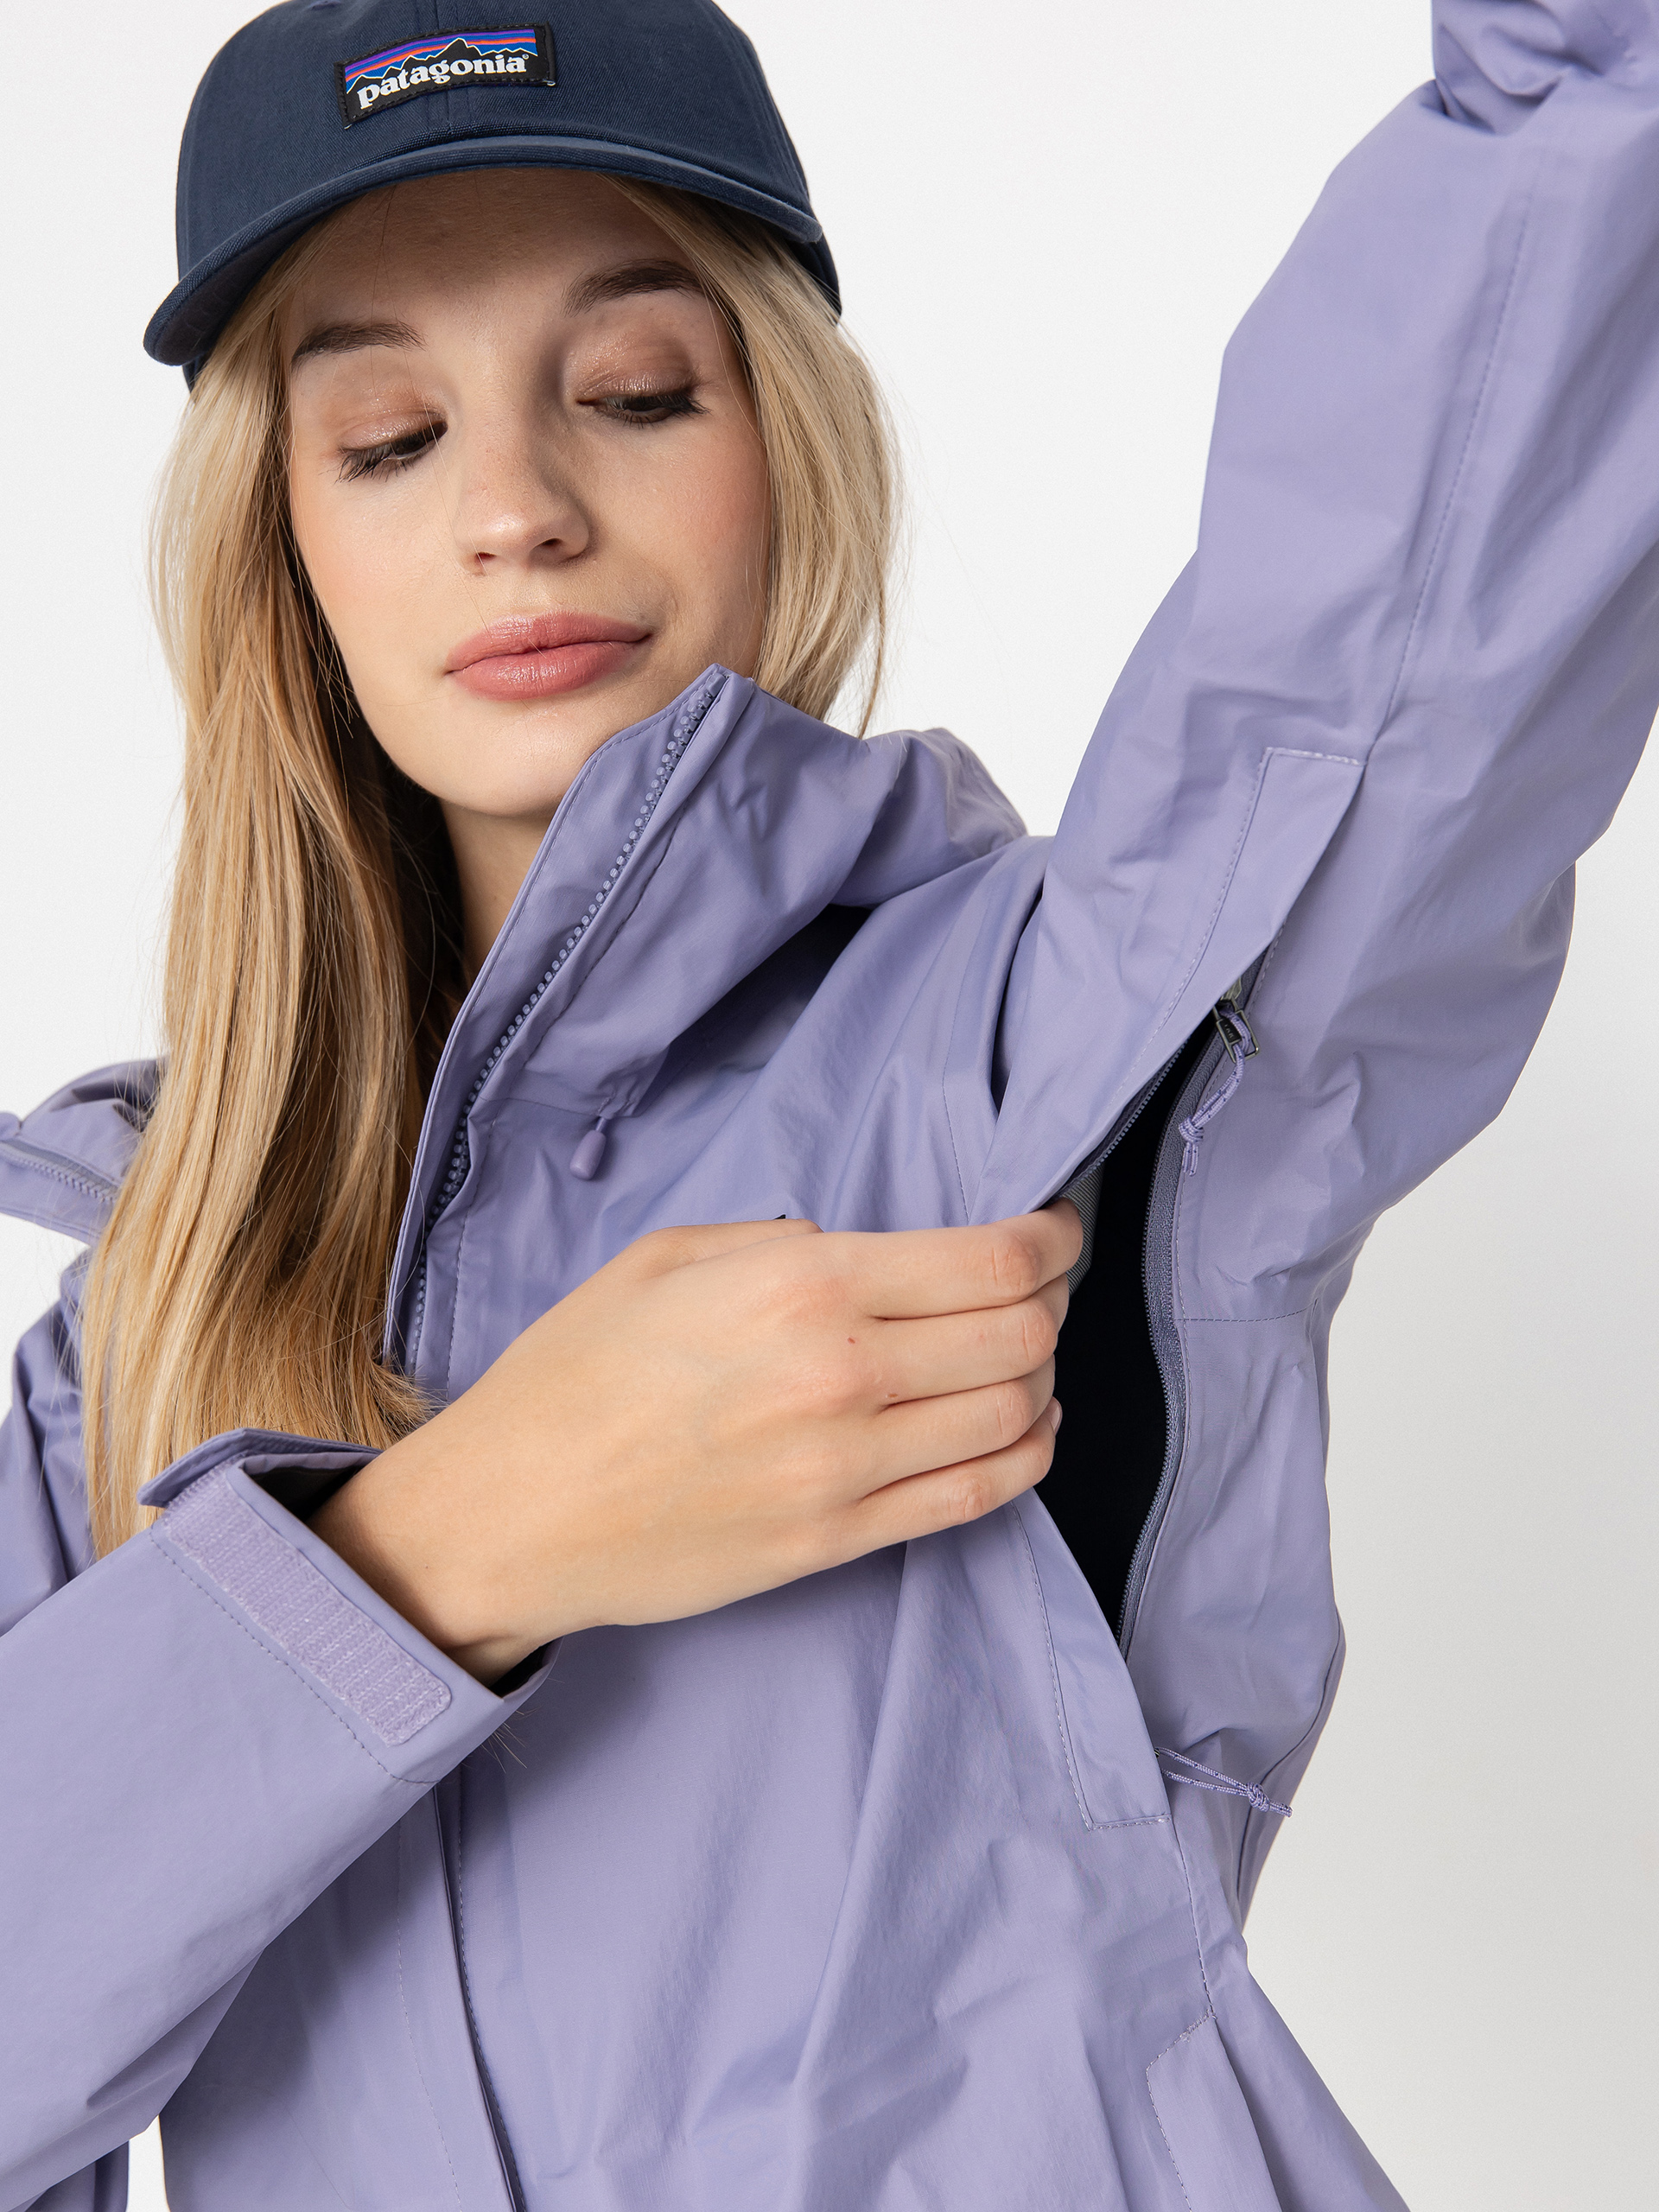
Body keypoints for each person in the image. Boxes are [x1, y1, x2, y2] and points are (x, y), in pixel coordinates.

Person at [3, 0, 1655, 2204]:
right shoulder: (135, 1346)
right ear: (280, 547)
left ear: (787, 445)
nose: (516, 509)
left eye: (633, 392)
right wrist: (450, 1539)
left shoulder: (1037, 1059)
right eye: (388, 436)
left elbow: (1418, 591)